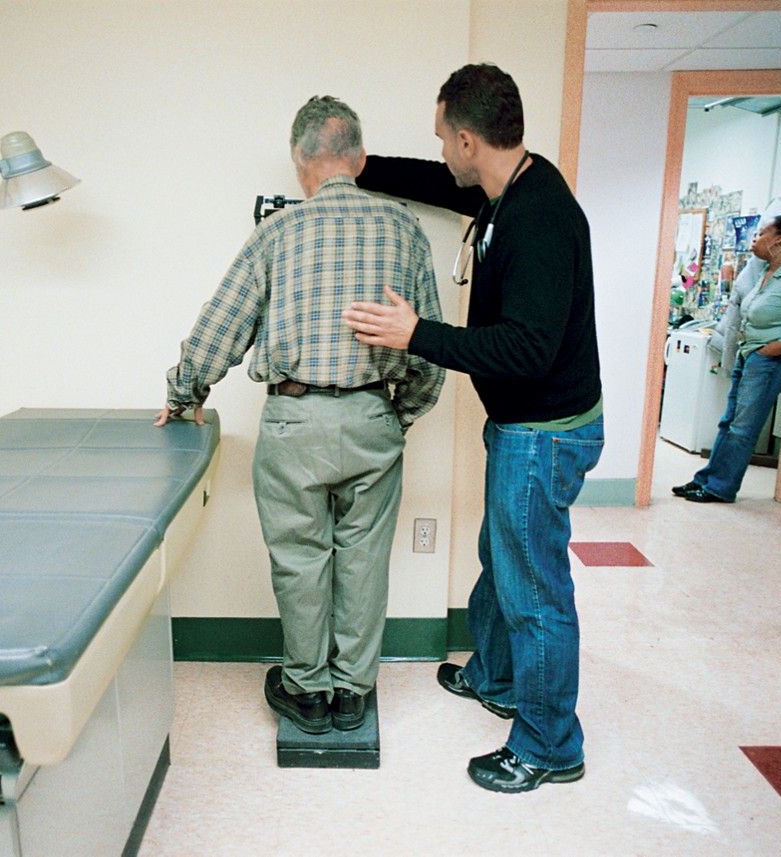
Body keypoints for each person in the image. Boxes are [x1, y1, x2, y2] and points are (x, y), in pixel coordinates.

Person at [342, 63, 603, 794]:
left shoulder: (540, 217)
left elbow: (527, 347)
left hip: (546, 430)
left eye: (442, 139)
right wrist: (358, 169)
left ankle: (549, 744)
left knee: (534, 589)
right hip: (524, 423)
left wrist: (416, 333)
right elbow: (435, 181)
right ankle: (497, 675)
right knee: (503, 553)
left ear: (467, 138)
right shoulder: (506, 184)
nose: (441, 152)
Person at [156, 96, 445, 735]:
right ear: (361, 159)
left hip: (293, 424)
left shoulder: (276, 233)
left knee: (300, 560)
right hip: (373, 417)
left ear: (299, 163)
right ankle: (352, 693)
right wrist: (399, 416)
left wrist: (184, 395)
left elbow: (218, 330)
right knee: (364, 559)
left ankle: (307, 691)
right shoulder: (402, 228)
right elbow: (430, 342)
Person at [674, 215, 781, 503]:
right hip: (750, 354)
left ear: (779, 239)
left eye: (762, 233)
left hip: (770, 360)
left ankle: (721, 488)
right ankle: (706, 479)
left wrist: (770, 349)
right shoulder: (764, 272)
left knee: (743, 428)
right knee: (729, 423)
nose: (755, 239)